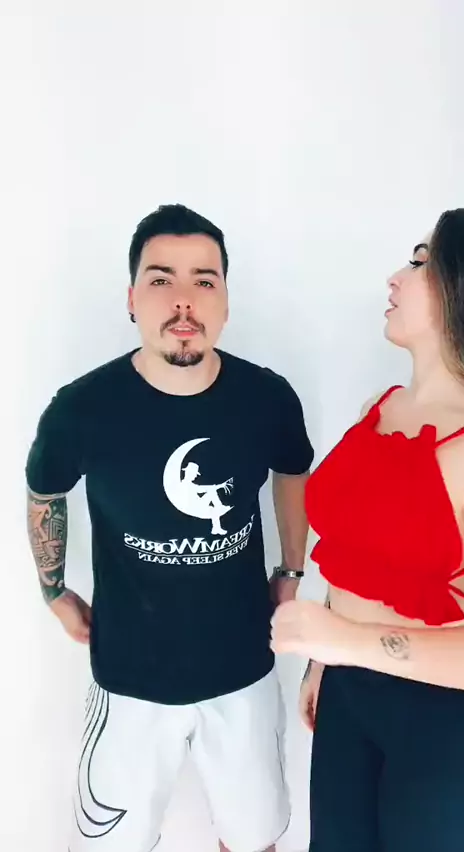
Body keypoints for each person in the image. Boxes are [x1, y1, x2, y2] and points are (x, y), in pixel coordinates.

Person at [26, 204, 314, 852]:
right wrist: (53, 590)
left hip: (243, 669)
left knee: (254, 841)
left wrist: (291, 570)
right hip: (128, 678)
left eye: (204, 280)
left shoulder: (267, 398)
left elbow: (293, 470)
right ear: (132, 299)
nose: (184, 299)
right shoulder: (82, 408)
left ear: (226, 301)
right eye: (161, 279)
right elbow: (46, 489)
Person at [271, 203, 464, 852]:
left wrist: (347, 642)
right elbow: (355, 556)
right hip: (347, 696)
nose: (395, 277)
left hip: (446, 721)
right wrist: (325, 663)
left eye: (421, 262)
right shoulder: (379, 410)